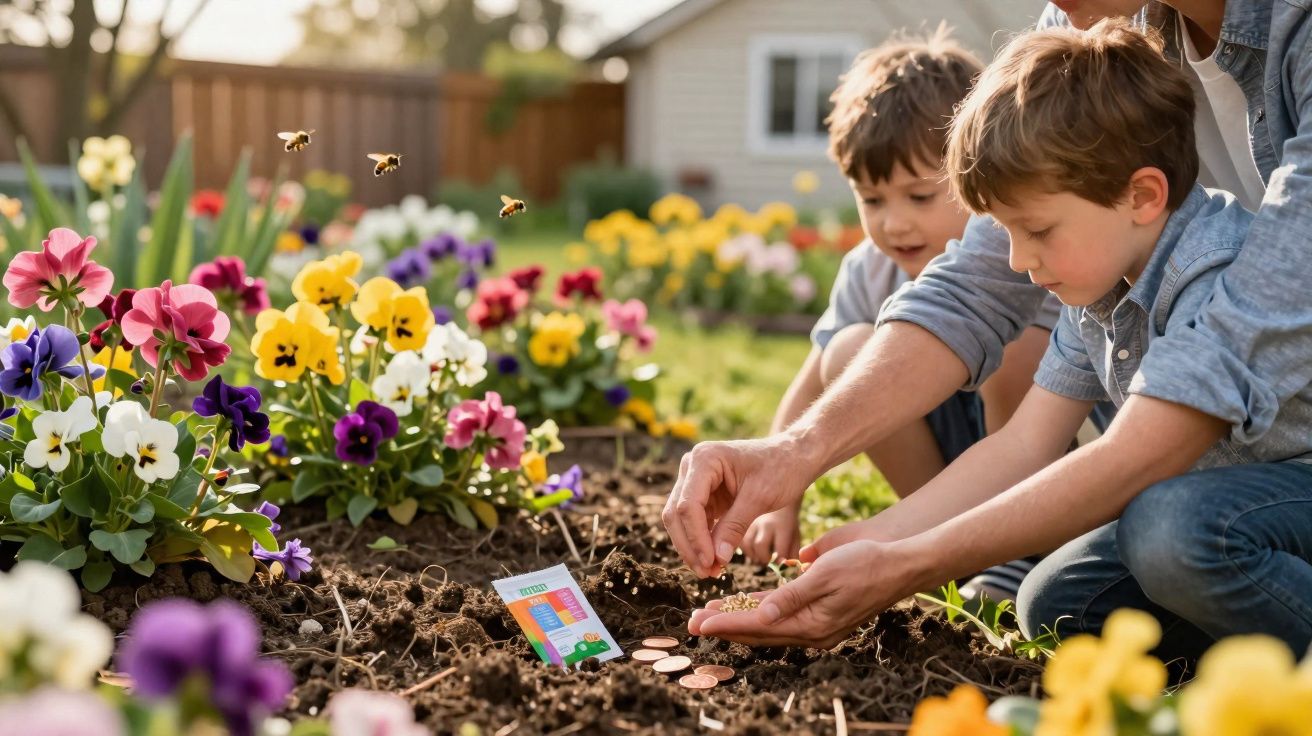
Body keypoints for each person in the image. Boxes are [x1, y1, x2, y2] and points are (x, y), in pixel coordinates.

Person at [669, 3, 1312, 664]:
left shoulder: (1206, 272)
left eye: (1035, 231)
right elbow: (1024, 442)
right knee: (1057, 605)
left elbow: (1144, 442)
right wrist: (874, 539)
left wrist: (910, 565)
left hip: (1286, 486)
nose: (1015, 260)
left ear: (1143, 196)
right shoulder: (1103, 286)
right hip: (1229, 506)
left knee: (1168, 531)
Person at [740, 27, 1052, 604]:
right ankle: (938, 540)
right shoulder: (869, 269)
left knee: (1018, 355)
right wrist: (782, 495)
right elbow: (809, 385)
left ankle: (1019, 552)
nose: (894, 224)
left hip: (1040, 460)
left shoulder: (1024, 254)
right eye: (872, 200)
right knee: (845, 352)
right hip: (942, 460)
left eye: (920, 196)